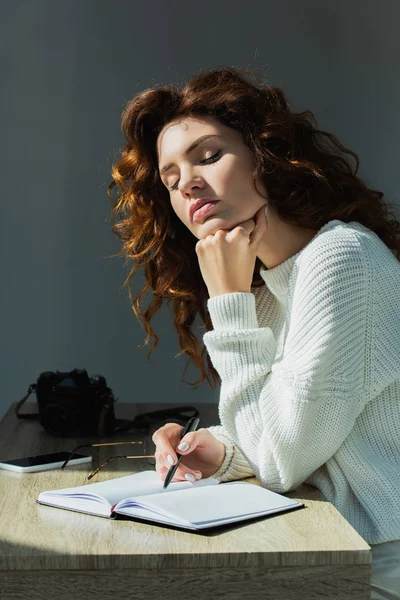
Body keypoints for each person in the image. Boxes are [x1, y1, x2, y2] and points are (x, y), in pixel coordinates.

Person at [108, 66, 400, 598]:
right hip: (318, 543)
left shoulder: (341, 259)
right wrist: (216, 449)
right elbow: (289, 433)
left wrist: (228, 301)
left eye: (208, 155)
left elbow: (283, 460)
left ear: (266, 154)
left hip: (375, 565)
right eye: (171, 179)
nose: (188, 182)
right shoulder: (268, 286)